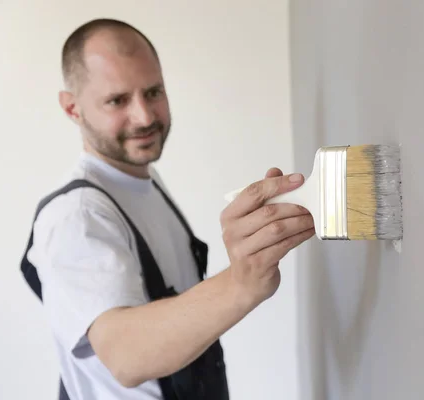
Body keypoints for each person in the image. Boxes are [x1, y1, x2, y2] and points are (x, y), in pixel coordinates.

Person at [20, 18, 315, 400]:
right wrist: (242, 281)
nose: (144, 117)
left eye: (153, 91)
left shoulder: (145, 180)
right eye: (117, 100)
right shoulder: (77, 214)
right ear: (73, 108)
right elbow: (124, 356)